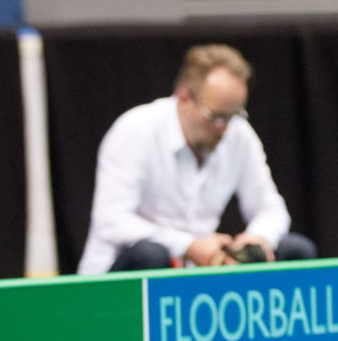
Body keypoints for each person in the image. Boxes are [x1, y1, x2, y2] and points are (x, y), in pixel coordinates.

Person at [77, 44, 317, 274]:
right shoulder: (136, 130)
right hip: (118, 278)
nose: (223, 128)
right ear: (183, 99)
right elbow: (112, 221)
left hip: (195, 281)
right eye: (215, 117)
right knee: (150, 254)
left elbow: (271, 209)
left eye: (233, 115)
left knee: (296, 249)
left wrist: (257, 238)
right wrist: (187, 245)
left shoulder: (238, 133)